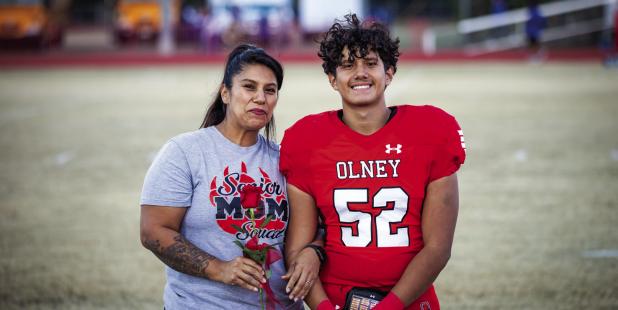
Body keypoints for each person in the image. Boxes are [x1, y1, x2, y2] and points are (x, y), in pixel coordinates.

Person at [280, 14, 466, 310]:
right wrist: (325, 308)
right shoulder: (306, 140)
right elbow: (297, 246)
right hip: (335, 298)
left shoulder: (431, 130)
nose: (360, 73)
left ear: (389, 73)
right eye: (347, 65)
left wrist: (389, 307)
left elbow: (438, 247)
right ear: (332, 79)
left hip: (410, 299)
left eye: (370, 63)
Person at [140, 44, 306, 310]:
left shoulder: (285, 159)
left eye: (270, 90)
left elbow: (315, 229)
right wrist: (218, 269)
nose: (260, 98)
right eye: (249, 87)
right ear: (226, 93)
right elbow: (153, 231)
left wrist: (313, 253)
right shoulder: (185, 151)